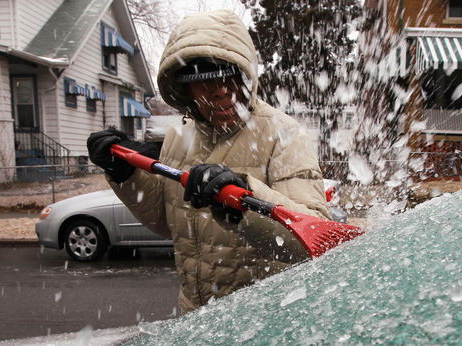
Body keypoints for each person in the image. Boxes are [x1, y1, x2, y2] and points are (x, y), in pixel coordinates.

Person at [86, 9, 331, 314]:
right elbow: (168, 222)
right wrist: (127, 176)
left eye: (231, 77)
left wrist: (243, 200)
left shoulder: (282, 135)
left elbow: (313, 241)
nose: (221, 93)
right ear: (182, 88)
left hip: (261, 318)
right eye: (205, 82)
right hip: (194, 317)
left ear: (247, 76)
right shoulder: (179, 135)